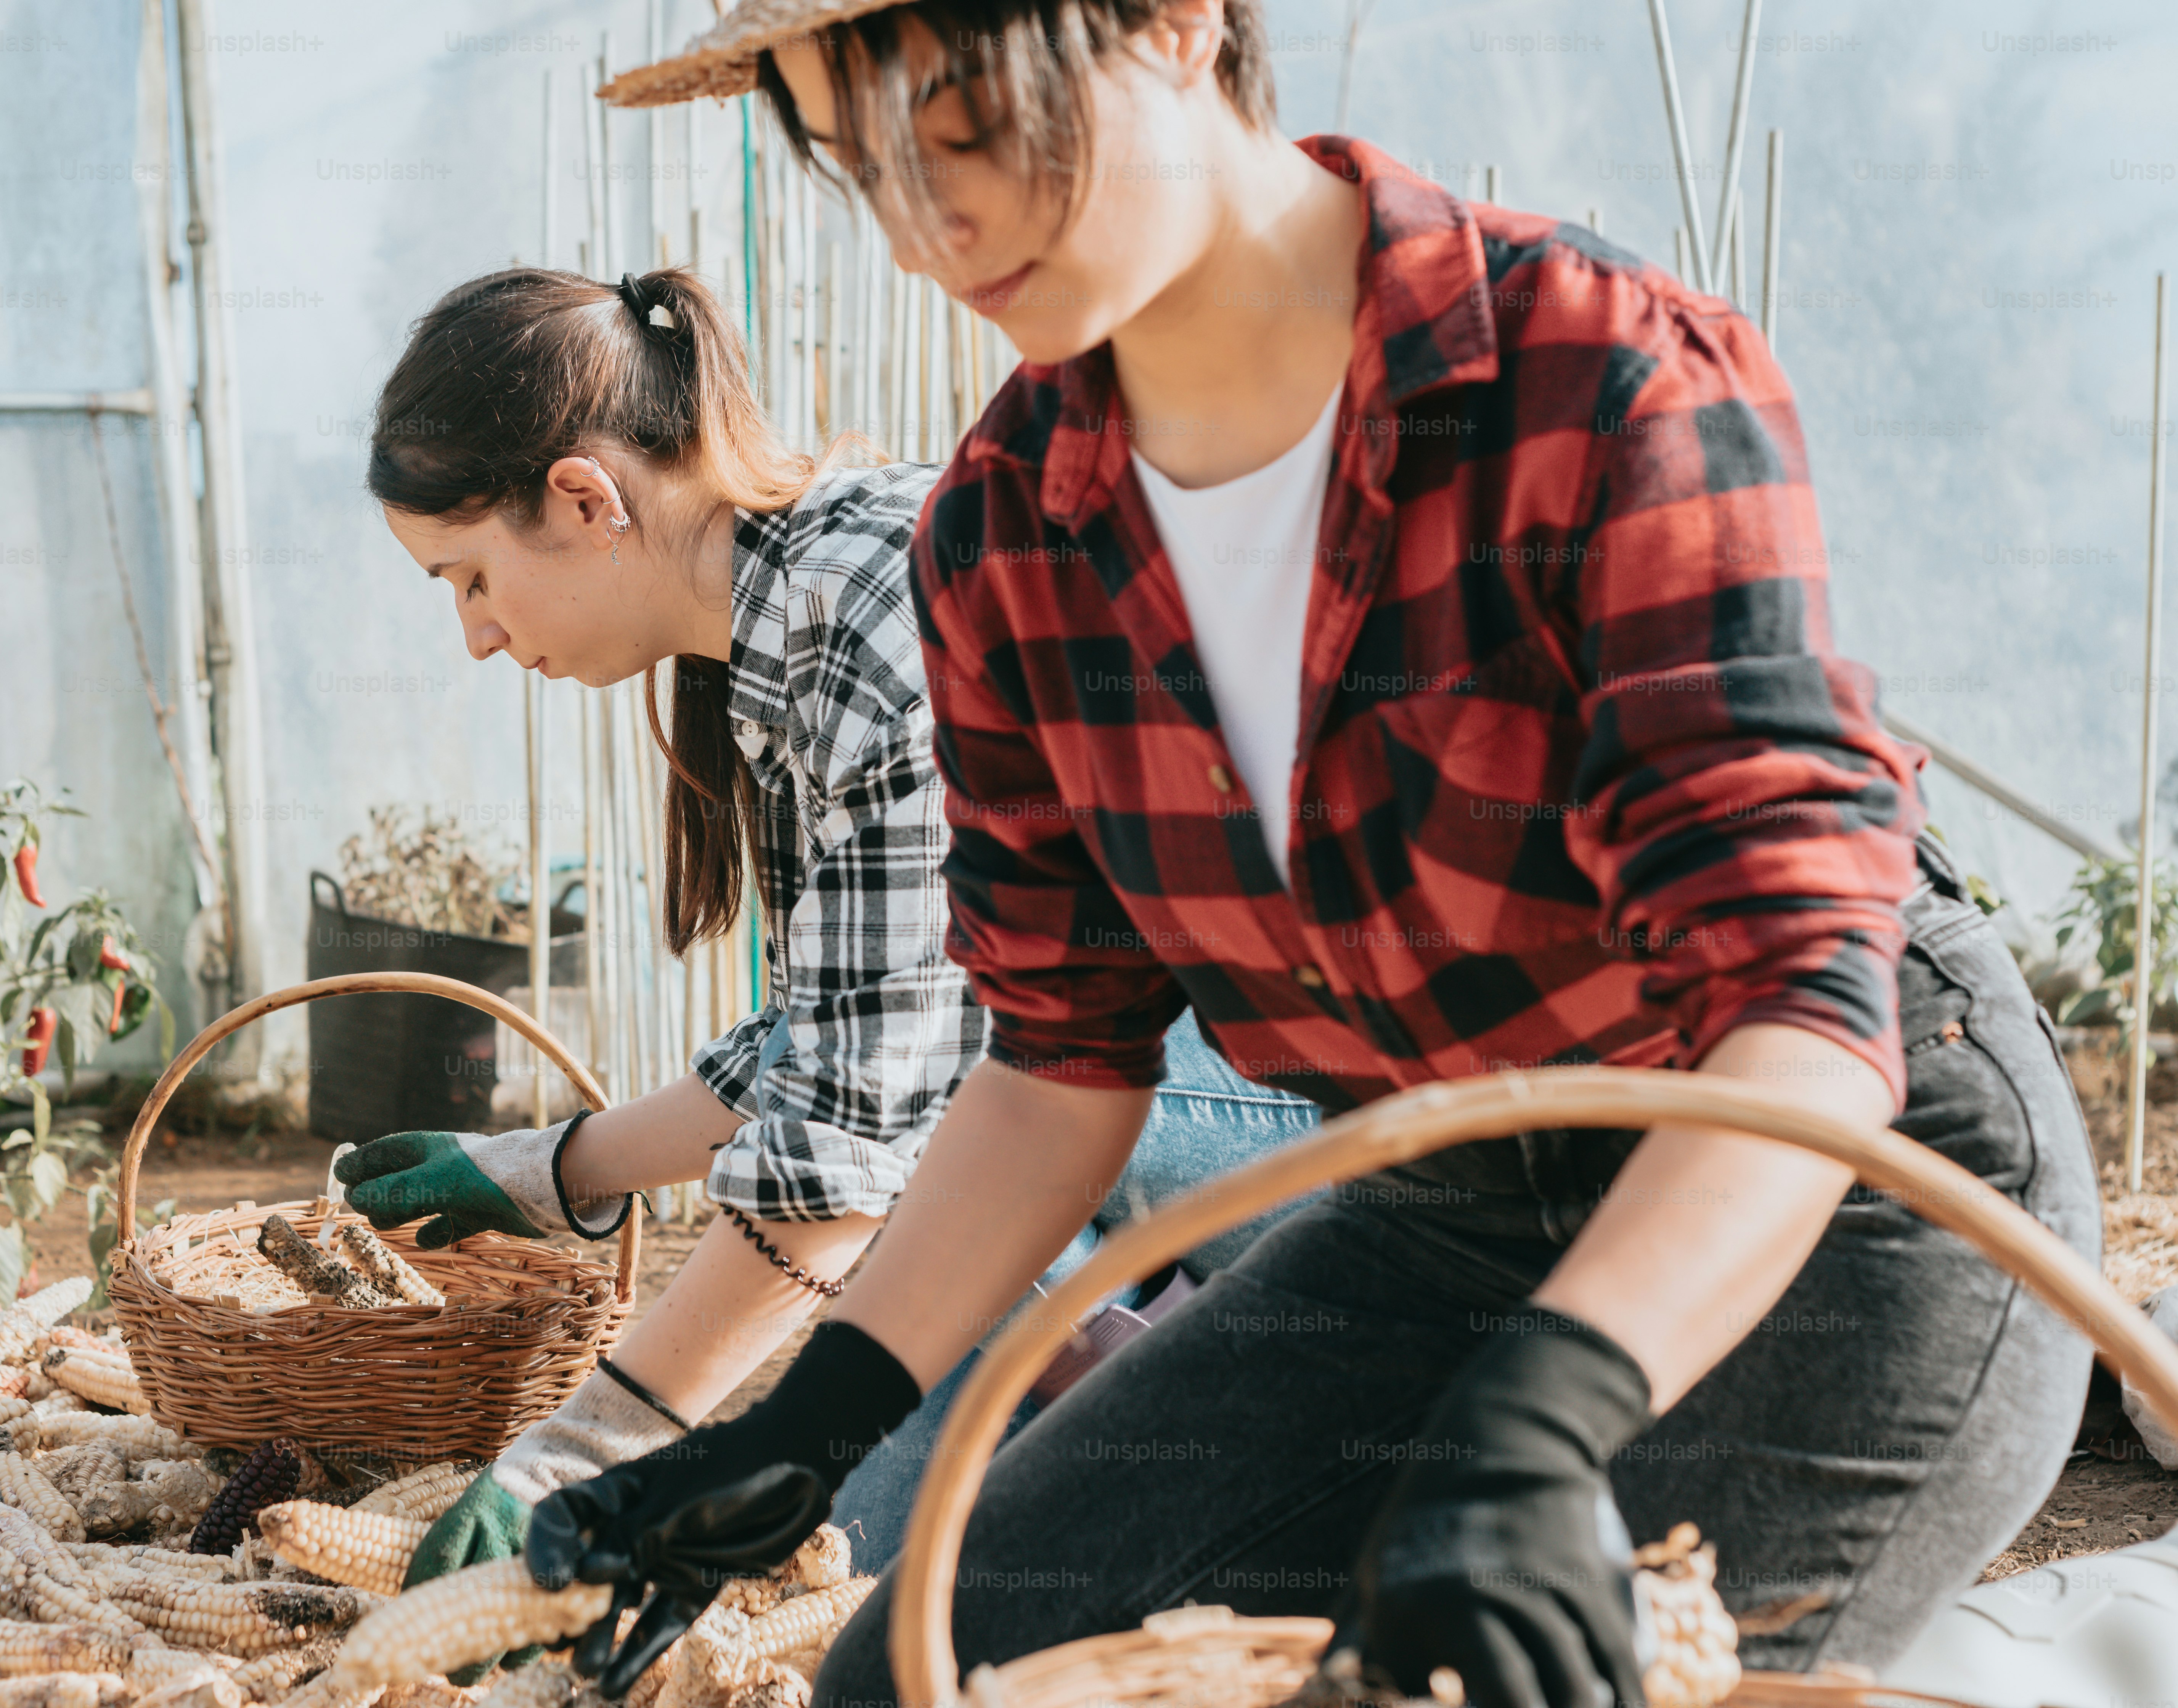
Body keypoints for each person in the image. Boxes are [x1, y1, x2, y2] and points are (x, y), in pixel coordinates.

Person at [548, 5, 2102, 1705]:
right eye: (866, 168)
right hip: (1453, 1200)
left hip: (1839, 1183)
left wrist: (1547, 1413)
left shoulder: (1591, 376)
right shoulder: (1006, 534)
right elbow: (1058, 1065)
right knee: (916, 1678)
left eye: (961, 124)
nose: (929, 223)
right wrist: (811, 1417)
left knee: (1516, 1668)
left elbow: (1801, 1000)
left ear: (1172, 21)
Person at [348, 263, 1325, 1632]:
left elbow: (857, 1138)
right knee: (857, 1589)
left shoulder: (876, 620)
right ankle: (1151, 1388)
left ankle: (1232, 1414)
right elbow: (834, 1046)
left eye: (470, 577)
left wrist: (582, 1453)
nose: (475, 635)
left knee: (909, 1252)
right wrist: (553, 1169)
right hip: (1108, 1100)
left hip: (1318, 1103)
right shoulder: (788, 623)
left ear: (583, 501)